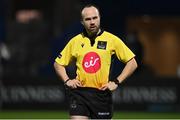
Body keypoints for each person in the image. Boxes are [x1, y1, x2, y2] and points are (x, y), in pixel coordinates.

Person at [54, 4, 138, 119]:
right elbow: (58, 63)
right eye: (88, 19)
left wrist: (116, 82)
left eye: (95, 18)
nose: (92, 22)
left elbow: (132, 63)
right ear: (82, 22)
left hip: (101, 94)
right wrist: (67, 80)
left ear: (99, 18)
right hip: (79, 94)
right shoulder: (75, 41)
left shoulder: (112, 40)